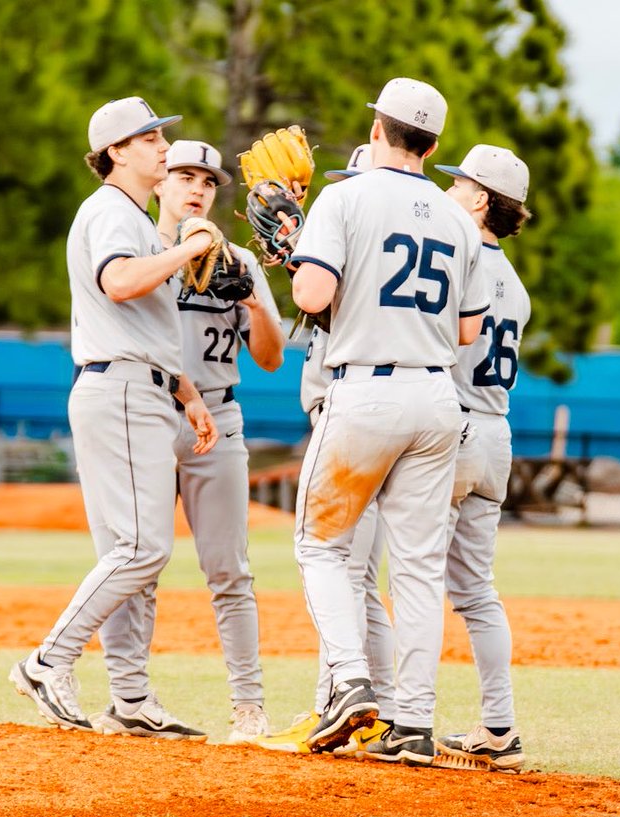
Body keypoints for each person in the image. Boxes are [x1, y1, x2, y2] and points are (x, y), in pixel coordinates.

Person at [288, 77, 489, 766]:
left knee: (320, 546)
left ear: (377, 129)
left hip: (366, 393)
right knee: (419, 568)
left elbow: (313, 293)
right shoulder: (458, 221)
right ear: (431, 146)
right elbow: (467, 331)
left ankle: (349, 682)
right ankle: (414, 724)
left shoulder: (345, 198)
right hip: (436, 398)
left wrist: (296, 255)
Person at [9, 96, 220, 739]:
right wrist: (187, 248)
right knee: (141, 549)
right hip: (122, 391)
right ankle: (49, 661)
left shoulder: (134, 216)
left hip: (139, 387)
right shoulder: (108, 209)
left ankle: (130, 698)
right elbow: (120, 283)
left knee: (130, 557)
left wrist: (186, 391)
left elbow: (141, 323)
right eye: (150, 137)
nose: (164, 146)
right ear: (117, 152)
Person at [92, 139, 285, 744]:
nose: (197, 189)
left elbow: (271, 359)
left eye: (207, 181)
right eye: (184, 176)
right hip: (148, 410)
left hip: (219, 419)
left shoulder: (238, 261)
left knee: (230, 572)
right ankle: (127, 697)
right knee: (136, 562)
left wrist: (255, 304)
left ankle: (249, 707)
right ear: (160, 182)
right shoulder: (139, 254)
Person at [252, 142, 397, 756]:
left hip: (354, 418)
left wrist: (295, 251)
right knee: (356, 577)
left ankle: (338, 707)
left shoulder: (360, 247)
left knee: (336, 565)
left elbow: (335, 304)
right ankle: (381, 714)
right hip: (369, 415)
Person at [432, 144, 532, 772]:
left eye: (458, 183)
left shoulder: (458, 260)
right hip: (497, 433)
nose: (449, 191)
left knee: (415, 576)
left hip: (455, 426)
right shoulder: (515, 285)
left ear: (479, 199)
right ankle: (500, 727)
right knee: (475, 591)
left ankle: (402, 717)